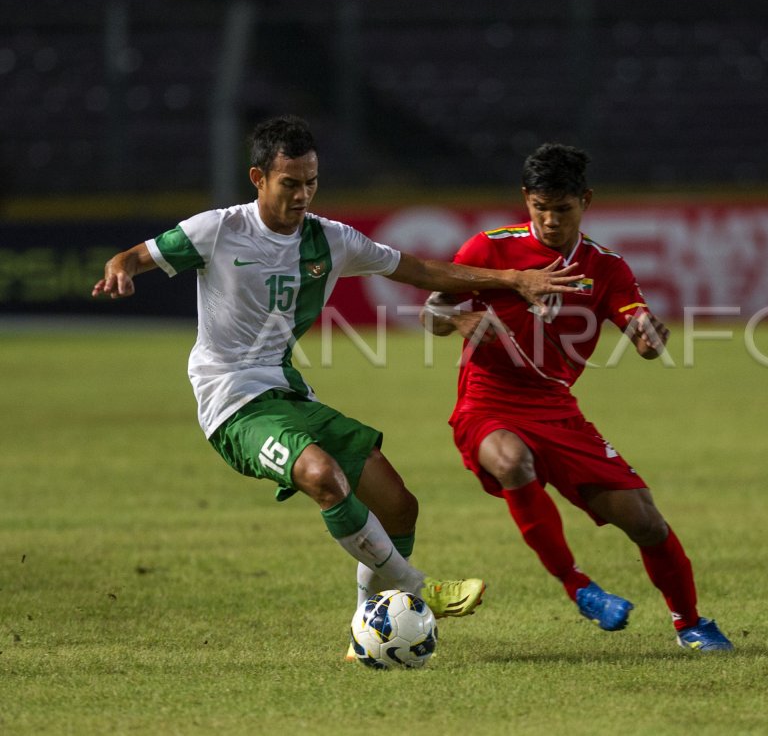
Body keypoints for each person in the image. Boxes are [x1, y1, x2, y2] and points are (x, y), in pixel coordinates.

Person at [92, 115, 583, 659]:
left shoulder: (332, 240)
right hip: (232, 403)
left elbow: (420, 270)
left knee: (398, 506)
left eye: (312, 182)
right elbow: (134, 256)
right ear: (258, 178)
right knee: (321, 475)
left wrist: (511, 280)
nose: (303, 194)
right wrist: (121, 269)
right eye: (290, 183)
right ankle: (419, 589)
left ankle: (363, 629)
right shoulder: (219, 230)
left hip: (288, 392)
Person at [420, 143, 733, 651]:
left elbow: (639, 327)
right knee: (512, 462)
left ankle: (690, 623)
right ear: (526, 200)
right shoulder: (488, 249)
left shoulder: (606, 268)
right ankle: (579, 586)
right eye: (539, 208)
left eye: (561, 210)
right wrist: (459, 318)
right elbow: (429, 314)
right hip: (488, 400)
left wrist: (647, 336)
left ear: (585, 201)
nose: (548, 221)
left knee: (645, 521)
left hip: (557, 408)